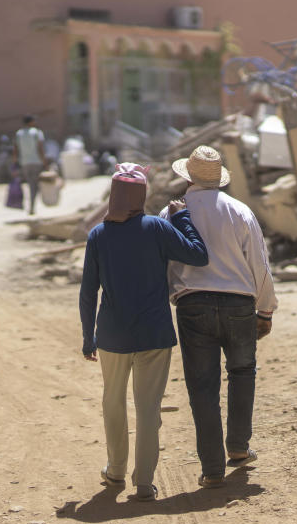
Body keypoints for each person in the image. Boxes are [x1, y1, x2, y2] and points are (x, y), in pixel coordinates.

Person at [79, 163, 209, 502]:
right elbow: (198, 255)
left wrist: (86, 336)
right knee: (149, 408)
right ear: (142, 195)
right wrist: (181, 219)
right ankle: (144, 482)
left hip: (111, 335)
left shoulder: (98, 235)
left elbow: (87, 291)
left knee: (113, 403)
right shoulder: (155, 228)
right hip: (154, 334)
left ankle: (115, 471)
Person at [159, 145, 278, 489]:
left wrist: (173, 295)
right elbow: (259, 264)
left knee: (202, 387)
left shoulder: (171, 214)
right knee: (243, 372)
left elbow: (165, 264)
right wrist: (265, 310)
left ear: (187, 176)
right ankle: (239, 447)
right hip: (239, 305)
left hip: (193, 306)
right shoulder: (239, 210)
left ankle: (212, 468)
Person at [15, 115, 47, 215]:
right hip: (36, 162)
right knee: (34, 185)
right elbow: (40, 148)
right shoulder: (37, 132)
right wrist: (44, 162)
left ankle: (30, 205)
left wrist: (15, 162)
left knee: (30, 184)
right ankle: (32, 206)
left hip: (24, 162)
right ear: (31, 122)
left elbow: (15, 149)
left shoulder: (19, 133)